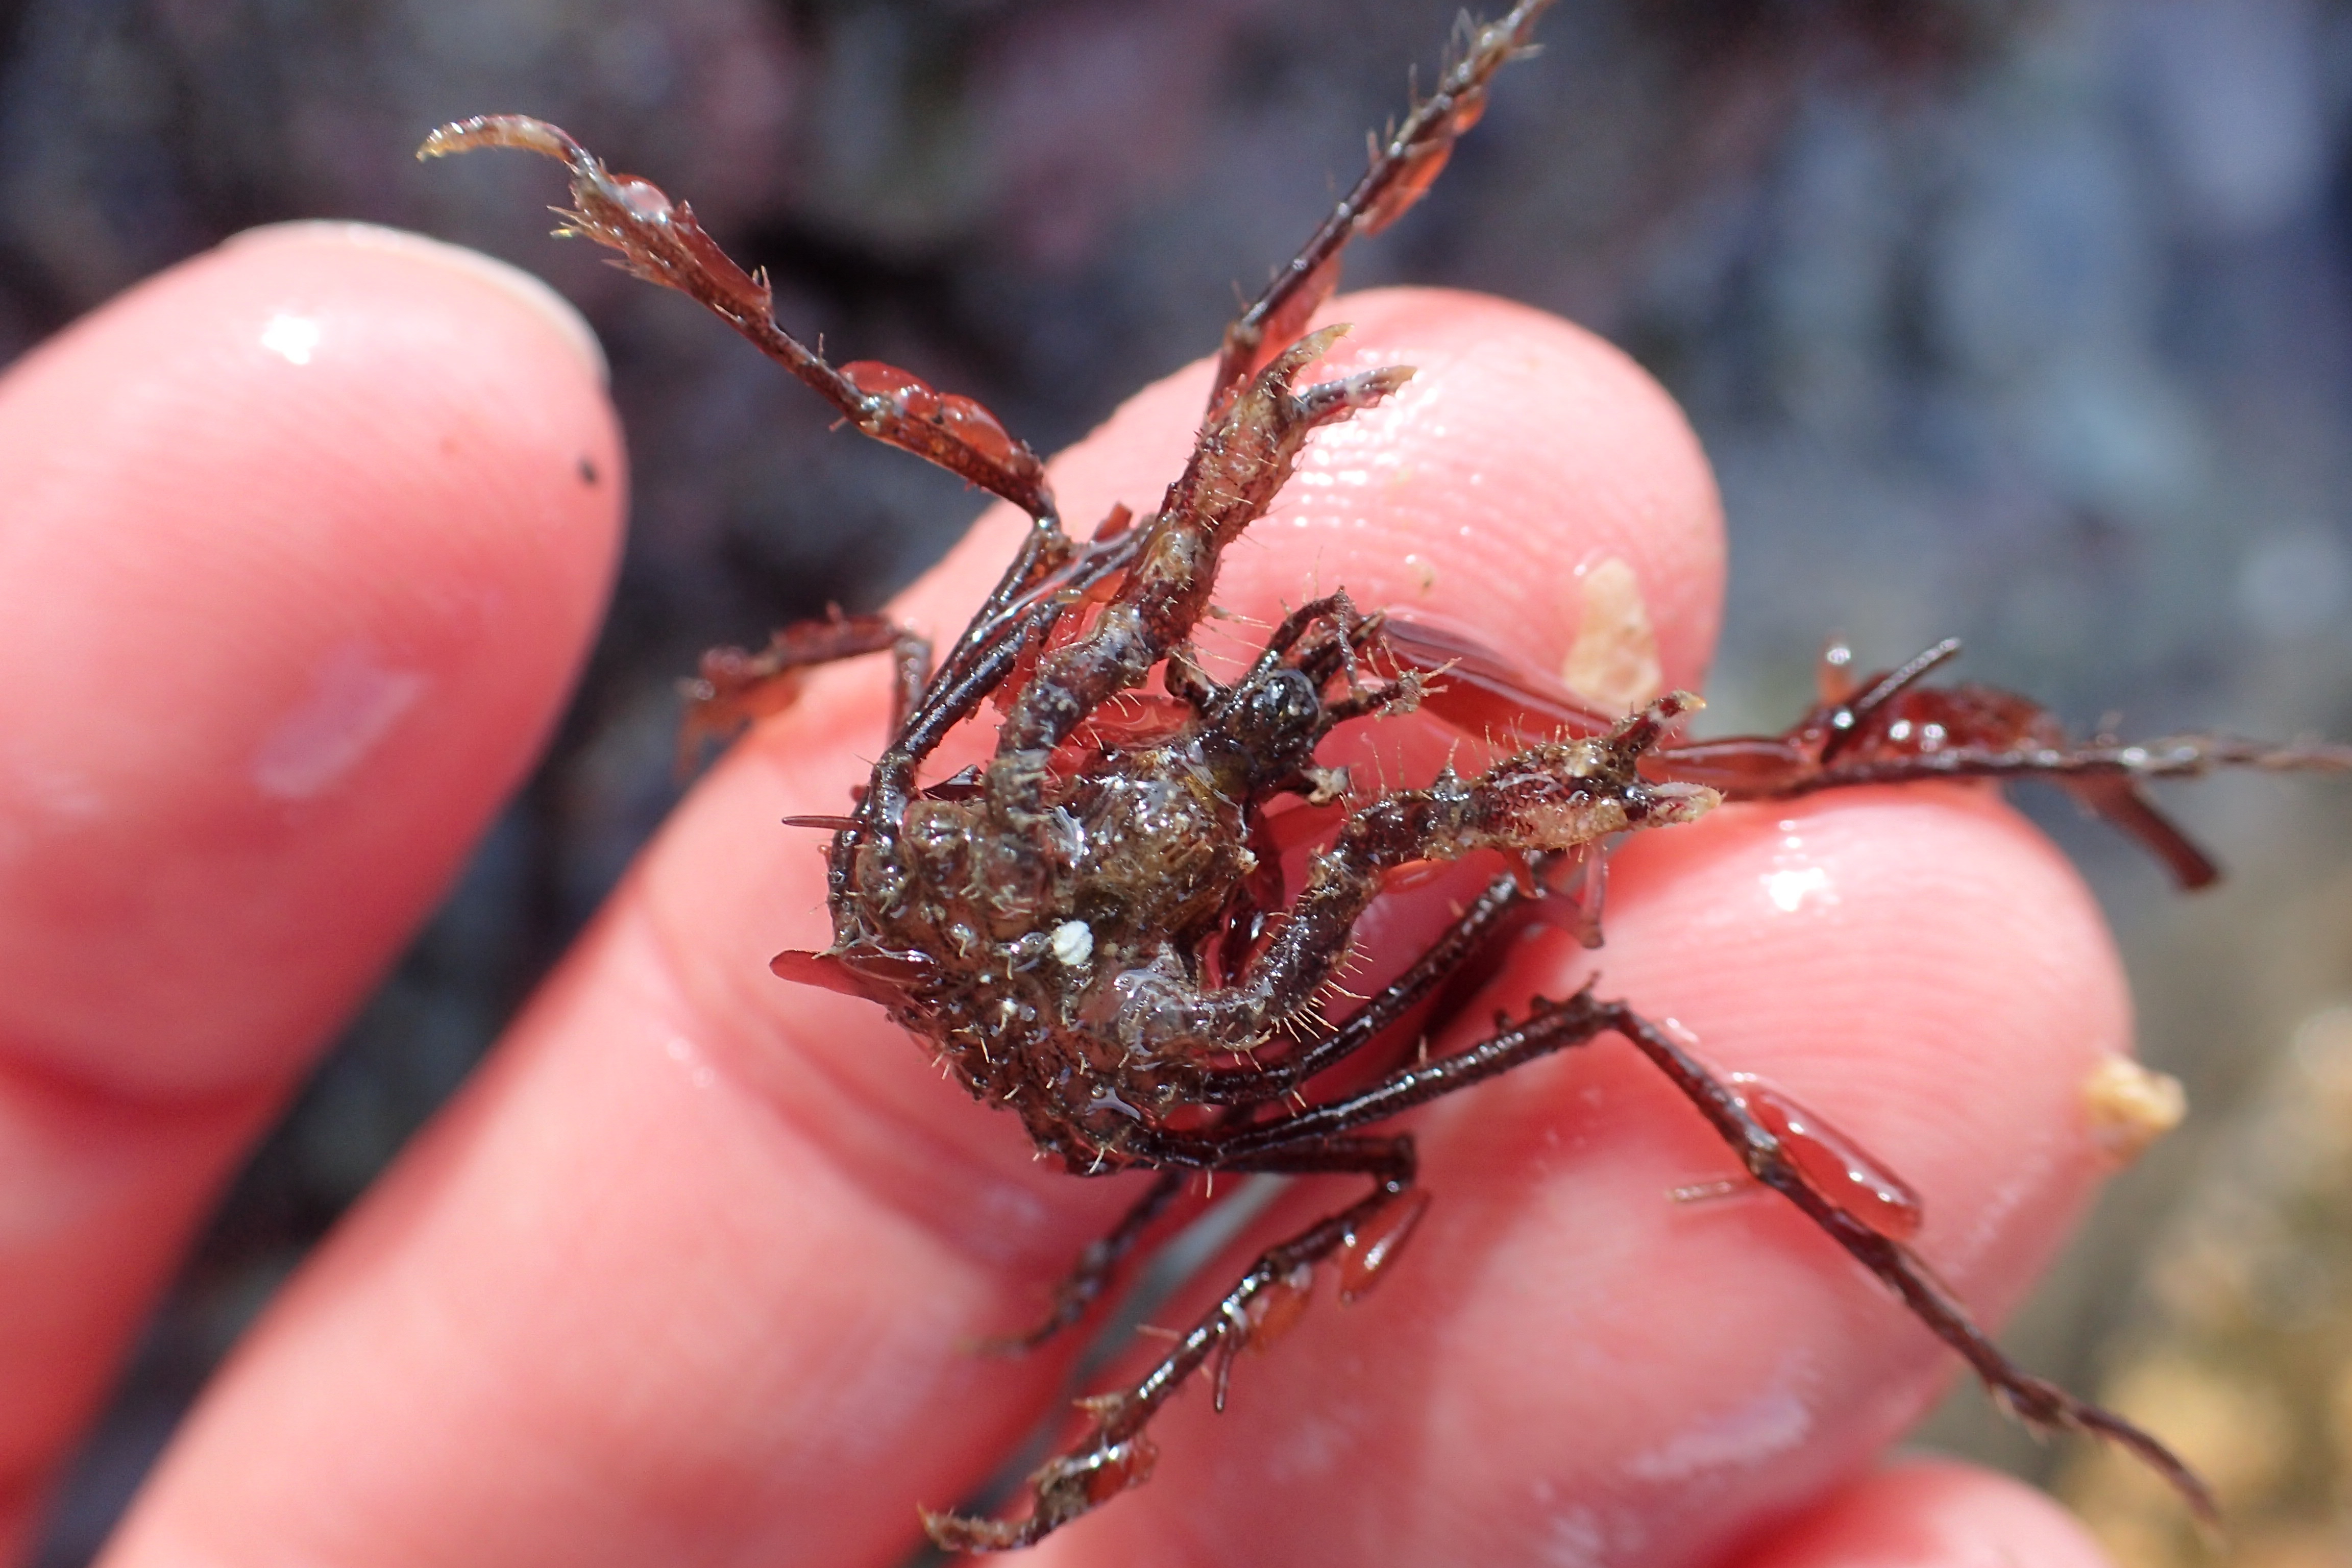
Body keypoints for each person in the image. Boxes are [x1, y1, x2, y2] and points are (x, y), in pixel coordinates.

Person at [0, 220, 2130, 1566]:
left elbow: (1074, 594)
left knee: (1087, 589)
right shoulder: (1107, 803)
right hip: (1090, 995)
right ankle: (1109, 1443)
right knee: (1332, 806)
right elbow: (1089, 612)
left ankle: (1107, 1435)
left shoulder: (1042, 757)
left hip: (1050, 958)